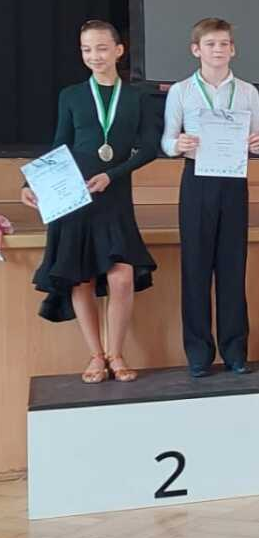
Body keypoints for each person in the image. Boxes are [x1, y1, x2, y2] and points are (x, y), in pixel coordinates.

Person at [21, 20, 159, 383]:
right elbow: (59, 143)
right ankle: (97, 355)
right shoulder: (71, 95)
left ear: (118, 50)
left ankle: (117, 352)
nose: (94, 56)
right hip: (73, 196)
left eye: (101, 48)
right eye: (86, 49)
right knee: (80, 278)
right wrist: (30, 182)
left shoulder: (137, 97)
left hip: (114, 197)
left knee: (122, 278)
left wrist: (113, 175)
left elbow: (149, 148)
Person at [161, 18, 259, 376]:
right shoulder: (181, 91)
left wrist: (258, 143)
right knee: (195, 267)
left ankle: (235, 350)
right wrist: (179, 144)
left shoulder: (248, 92)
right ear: (196, 50)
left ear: (233, 49)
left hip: (234, 181)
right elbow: (166, 140)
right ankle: (198, 352)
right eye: (210, 44)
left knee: (233, 266)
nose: (218, 50)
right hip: (197, 180)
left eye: (224, 44)